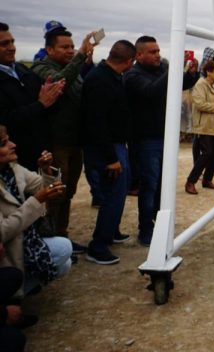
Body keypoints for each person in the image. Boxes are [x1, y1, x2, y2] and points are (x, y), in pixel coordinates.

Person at [124, 36, 198, 245]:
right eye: (153, 52)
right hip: (146, 139)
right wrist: (173, 70)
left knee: (162, 185)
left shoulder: (161, 70)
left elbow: (179, 84)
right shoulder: (133, 76)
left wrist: (190, 73)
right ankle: (145, 229)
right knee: (149, 185)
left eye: (158, 51)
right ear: (139, 55)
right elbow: (152, 91)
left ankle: (158, 222)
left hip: (165, 136)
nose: (158, 55)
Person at [30, 28, 96, 253]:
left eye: (72, 46)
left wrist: (85, 62)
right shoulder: (41, 67)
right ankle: (48, 241)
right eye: (64, 47)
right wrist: (79, 58)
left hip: (74, 142)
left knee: (68, 191)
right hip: (55, 144)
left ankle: (62, 237)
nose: (70, 50)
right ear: (49, 49)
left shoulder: (74, 70)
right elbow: (58, 84)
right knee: (54, 193)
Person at [81, 40, 136, 265]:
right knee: (113, 195)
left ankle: (111, 231)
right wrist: (111, 159)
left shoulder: (109, 76)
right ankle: (98, 246)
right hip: (106, 148)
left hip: (114, 144)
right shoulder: (100, 80)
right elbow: (96, 122)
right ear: (129, 61)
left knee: (118, 193)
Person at [0, 125, 72, 295]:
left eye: (9, 139)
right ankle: (13, 295)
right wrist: (36, 201)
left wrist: (46, 170)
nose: (12, 144)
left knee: (65, 258)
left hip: (24, 240)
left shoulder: (12, 169)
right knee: (63, 250)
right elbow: (2, 231)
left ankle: (22, 287)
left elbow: (45, 187)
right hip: (8, 251)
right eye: (4, 143)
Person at [0, 23, 64, 171]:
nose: (12, 47)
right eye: (4, 44)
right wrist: (41, 104)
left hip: (42, 154)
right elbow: (6, 120)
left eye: (12, 42)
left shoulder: (22, 69)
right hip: (15, 161)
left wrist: (52, 97)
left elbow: (45, 108)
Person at [185, 60, 214, 195]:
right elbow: (200, 104)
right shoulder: (201, 84)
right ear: (209, 71)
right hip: (203, 126)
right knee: (206, 154)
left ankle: (207, 179)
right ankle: (190, 181)